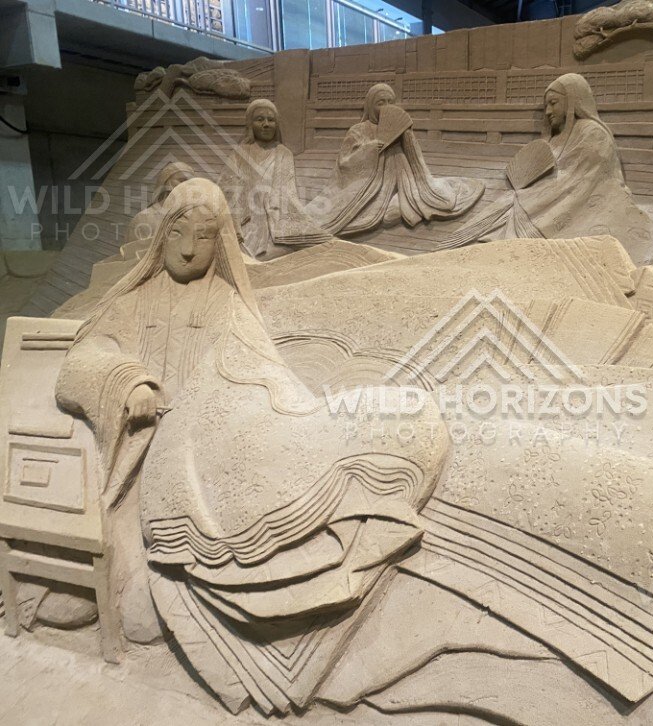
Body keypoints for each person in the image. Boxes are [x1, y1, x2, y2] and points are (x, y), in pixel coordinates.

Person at [54, 177, 447, 653]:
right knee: (122, 606)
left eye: (203, 237)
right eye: (178, 233)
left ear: (218, 242)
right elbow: (81, 358)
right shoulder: (131, 301)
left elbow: (260, 372)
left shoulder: (226, 302)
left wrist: (284, 416)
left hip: (199, 451)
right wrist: (126, 379)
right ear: (162, 234)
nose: (187, 250)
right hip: (132, 455)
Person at [442, 73, 653, 264]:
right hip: (542, 196)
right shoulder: (559, 137)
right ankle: (453, 248)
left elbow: (579, 181)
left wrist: (530, 194)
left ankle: (475, 248)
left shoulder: (593, 134)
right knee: (505, 204)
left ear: (573, 100)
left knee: (511, 209)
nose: (548, 111)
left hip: (574, 202)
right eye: (546, 105)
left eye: (554, 103)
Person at [305, 83, 484, 235]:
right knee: (362, 214)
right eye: (380, 102)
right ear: (369, 105)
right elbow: (344, 162)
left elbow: (417, 161)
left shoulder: (399, 128)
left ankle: (405, 202)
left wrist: (407, 136)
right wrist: (369, 149)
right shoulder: (358, 130)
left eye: (390, 102)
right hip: (369, 183)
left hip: (402, 179)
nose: (386, 107)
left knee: (424, 204)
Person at [218, 98, 334, 260]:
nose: (266, 124)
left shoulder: (283, 153)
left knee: (320, 245)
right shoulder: (239, 153)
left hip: (275, 218)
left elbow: (287, 192)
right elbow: (226, 189)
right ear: (250, 124)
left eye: (271, 120)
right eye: (260, 119)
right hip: (247, 221)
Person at [123, 161, 194, 258]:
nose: (187, 186)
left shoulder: (192, 219)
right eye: (182, 180)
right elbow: (130, 259)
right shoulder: (143, 219)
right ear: (166, 182)